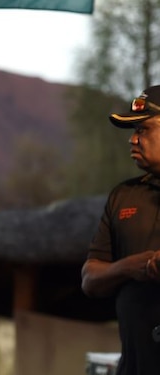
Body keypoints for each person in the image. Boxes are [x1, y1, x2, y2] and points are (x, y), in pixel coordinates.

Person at [82, 85, 160, 375]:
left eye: (143, 130)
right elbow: (90, 279)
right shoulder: (123, 196)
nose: (132, 140)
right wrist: (131, 266)